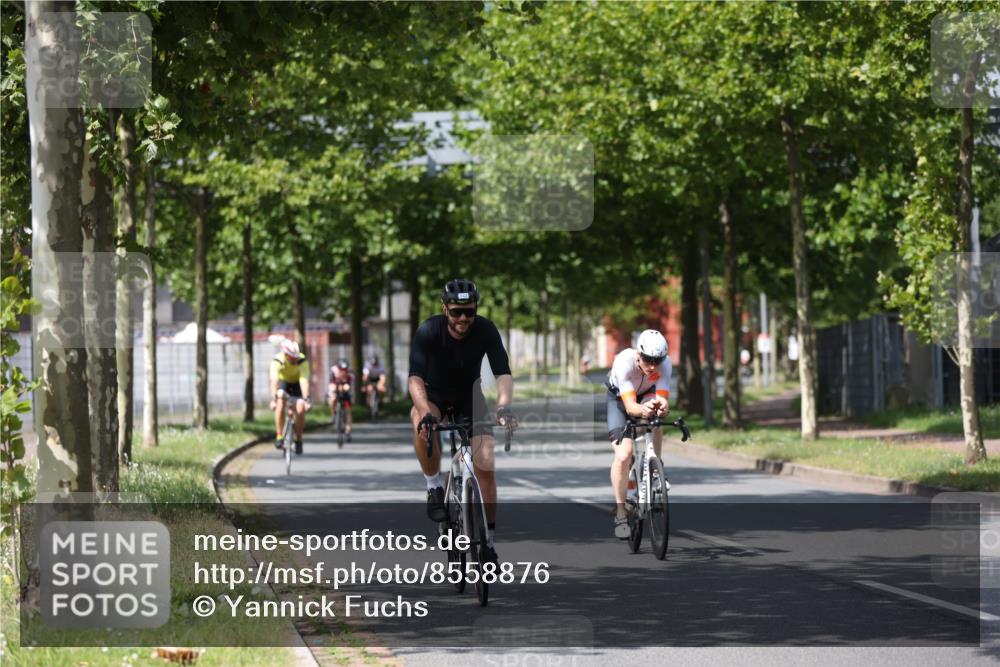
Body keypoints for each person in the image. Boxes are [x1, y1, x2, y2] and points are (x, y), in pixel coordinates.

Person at [409, 278, 517, 558]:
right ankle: (434, 488)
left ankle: (489, 541)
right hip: (434, 395)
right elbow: (415, 378)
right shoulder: (428, 330)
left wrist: (503, 406)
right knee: (422, 423)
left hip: (470, 397)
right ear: (445, 309)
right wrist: (424, 411)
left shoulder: (485, 329)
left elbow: (502, 372)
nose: (463, 318)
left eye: (469, 311)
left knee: (486, 461)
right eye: (456, 311)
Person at [606, 329, 672, 539]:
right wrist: (641, 410)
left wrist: (662, 407)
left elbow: (662, 397)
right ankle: (620, 512)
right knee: (624, 454)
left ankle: (656, 467)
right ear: (638, 354)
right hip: (619, 399)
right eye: (647, 360)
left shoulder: (665, 365)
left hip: (646, 394)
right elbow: (631, 406)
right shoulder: (624, 363)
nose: (652, 366)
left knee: (656, 420)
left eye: (657, 360)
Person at [269, 339, 312, 455]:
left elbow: (304, 382)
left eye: (295, 357)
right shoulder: (278, 360)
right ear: (286, 355)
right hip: (284, 383)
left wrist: (307, 399)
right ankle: (279, 435)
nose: (294, 359)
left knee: (300, 408)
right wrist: (273, 400)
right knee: (280, 400)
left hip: (297, 383)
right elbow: (274, 381)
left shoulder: (301, 360)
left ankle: (298, 439)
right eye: (292, 357)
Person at [328, 358, 354, 442]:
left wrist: (347, 387)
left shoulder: (349, 372)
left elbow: (350, 385)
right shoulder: (333, 371)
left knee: (348, 411)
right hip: (336, 388)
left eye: (344, 370)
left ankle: (348, 431)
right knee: (332, 398)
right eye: (341, 369)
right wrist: (333, 388)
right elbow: (331, 384)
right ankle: (333, 414)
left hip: (345, 390)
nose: (343, 371)